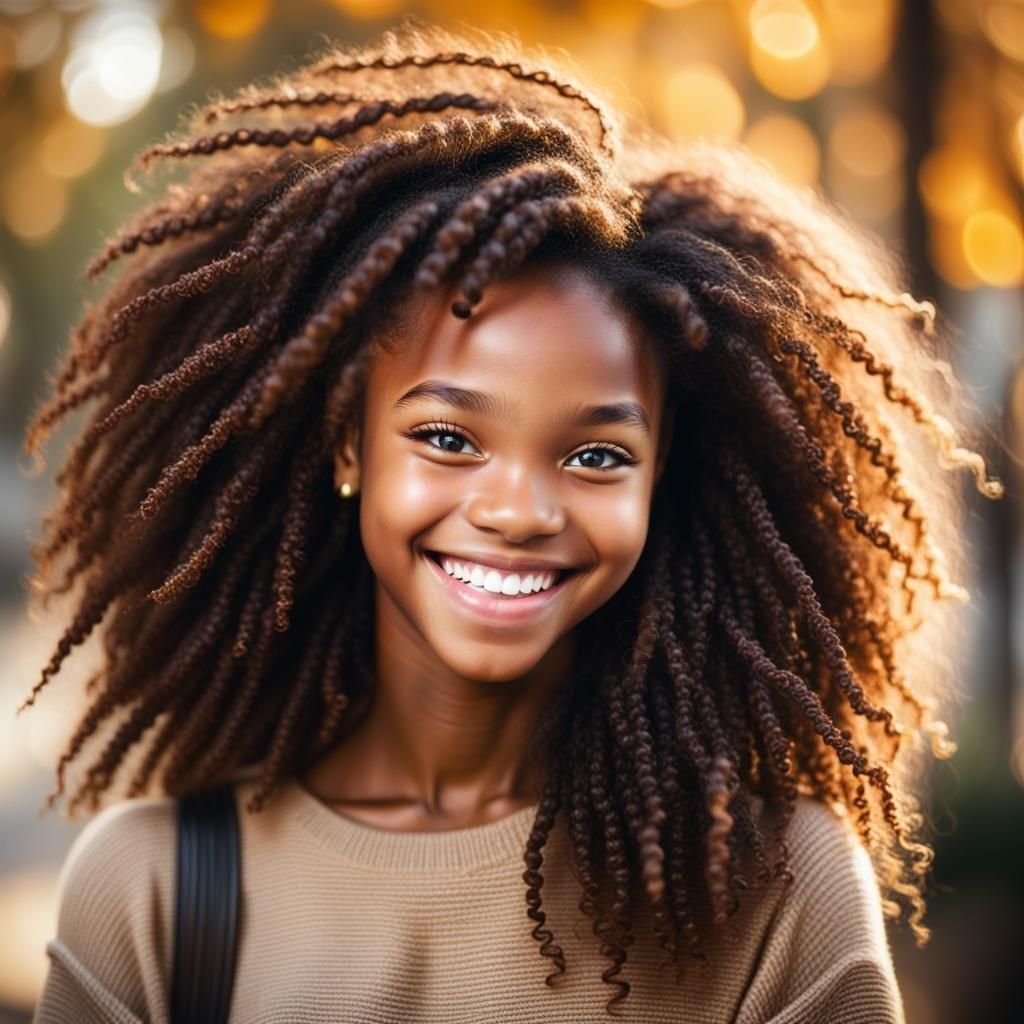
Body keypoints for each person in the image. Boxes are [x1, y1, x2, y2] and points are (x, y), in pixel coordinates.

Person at [22, 18, 1001, 1024]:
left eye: (595, 456)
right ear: (349, 446)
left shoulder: (782, 892)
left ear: (663, 480)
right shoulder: (154, 893)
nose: (518, 510)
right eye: (448, 438)